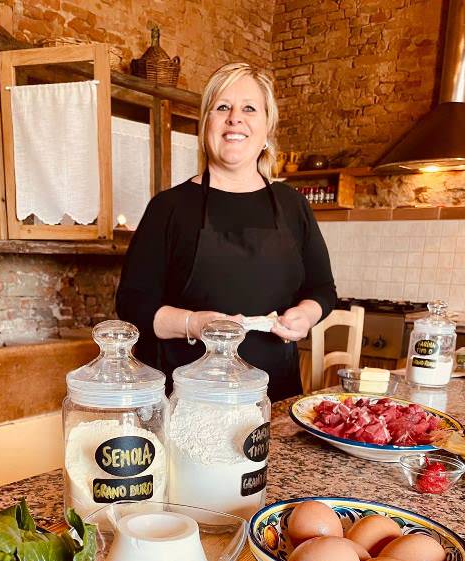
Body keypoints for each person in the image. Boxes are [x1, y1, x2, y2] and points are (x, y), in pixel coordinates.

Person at [115, 62, 337, 402]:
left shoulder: (293, 205)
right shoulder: (169, 208)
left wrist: (306, 314)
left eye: (249, 108)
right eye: (222, 108)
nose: (235, 118)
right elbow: (133, 305)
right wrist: (195, 324)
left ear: (266, 128)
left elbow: (322, 288)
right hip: (189, 398)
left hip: (274, 395)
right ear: (206, 125)